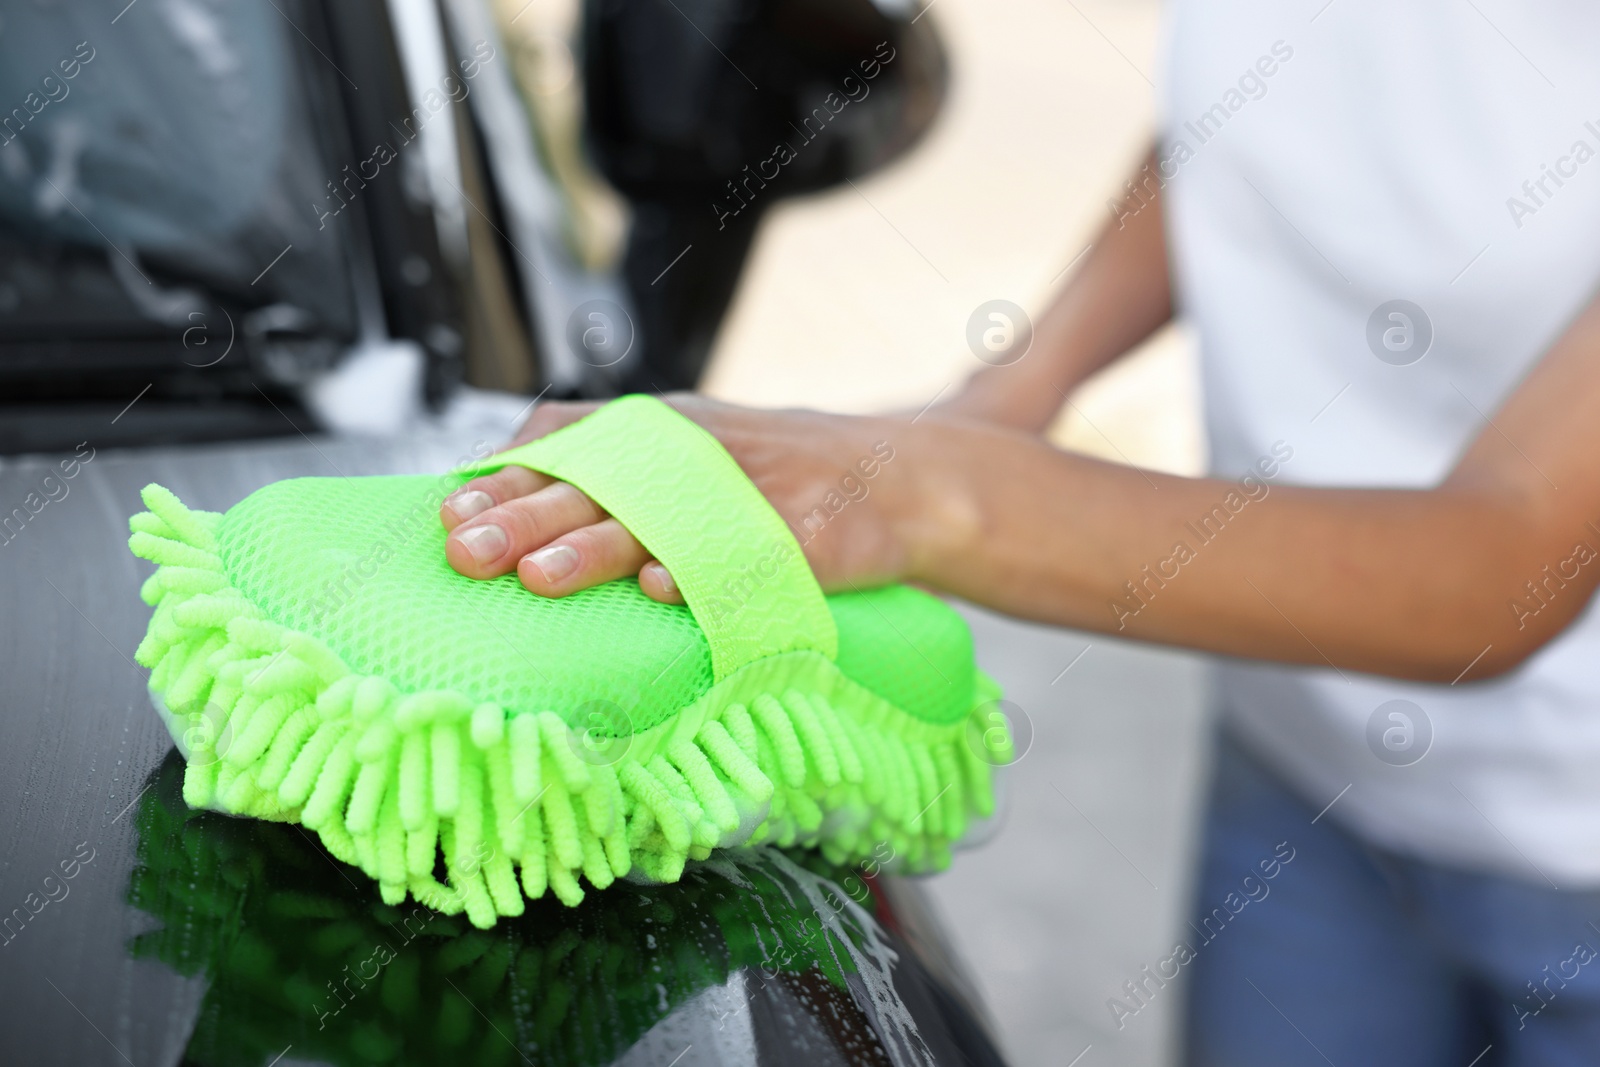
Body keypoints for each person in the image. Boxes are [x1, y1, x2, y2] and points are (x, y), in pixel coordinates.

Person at [438, 3, 1600, 1062]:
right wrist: (1007, 392)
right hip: (1300, 768)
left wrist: (938, 491)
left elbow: (1499, 571)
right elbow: (1253, 118)